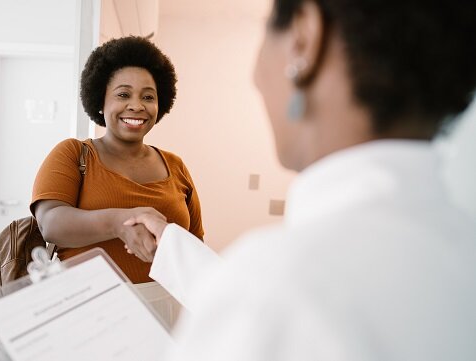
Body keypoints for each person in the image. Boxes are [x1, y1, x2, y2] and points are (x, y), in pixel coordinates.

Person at [123, 0, 476, 359]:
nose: (257, 77)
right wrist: (170, 244)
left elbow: (274, 301)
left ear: (304, 38)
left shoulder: (278, 292)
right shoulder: (461, 249)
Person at [30, 36, 204, 327]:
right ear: (101, 100)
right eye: (123, 95)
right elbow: (51, 223)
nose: (137, 106)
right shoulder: (73, 154)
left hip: (167, 314)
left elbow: (194, 243)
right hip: (88, 311)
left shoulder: (176, 167)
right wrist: (119, 223)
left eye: (148, 97)